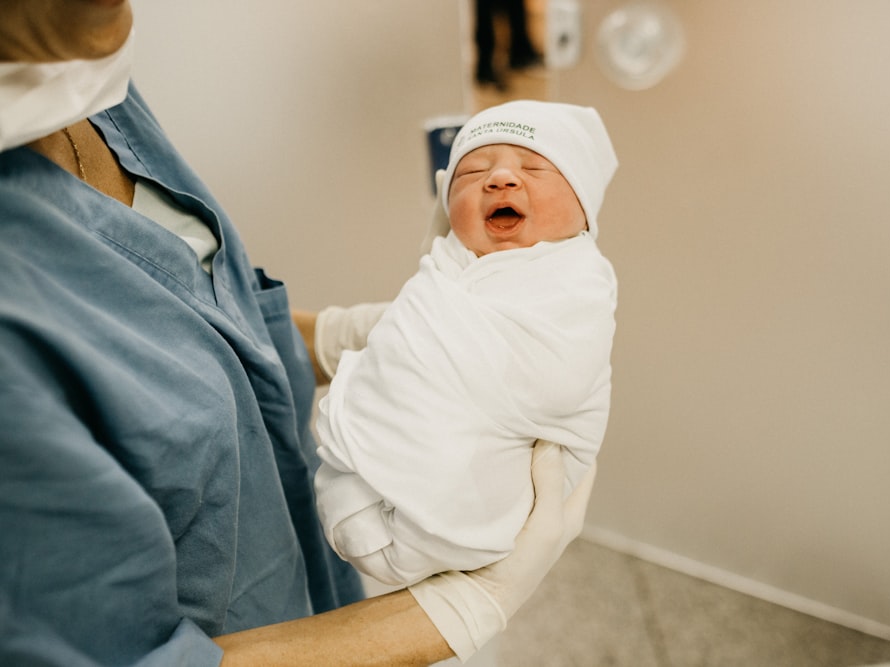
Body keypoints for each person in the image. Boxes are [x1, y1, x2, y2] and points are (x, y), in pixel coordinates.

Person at [0, 2, 595, 665]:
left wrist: (339, 336)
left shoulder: (78, 77)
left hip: (305, 578)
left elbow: (189, 318)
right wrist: (455, 611)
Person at [314, 100, 618, 587]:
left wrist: (447, 356)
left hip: (470, 498)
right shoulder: (446, 262)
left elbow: (557, 380)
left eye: (533, 167)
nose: (499, 179)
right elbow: (400, 350)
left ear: (583, 210)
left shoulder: (578, 279)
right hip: (367, 480)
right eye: (472, 171)